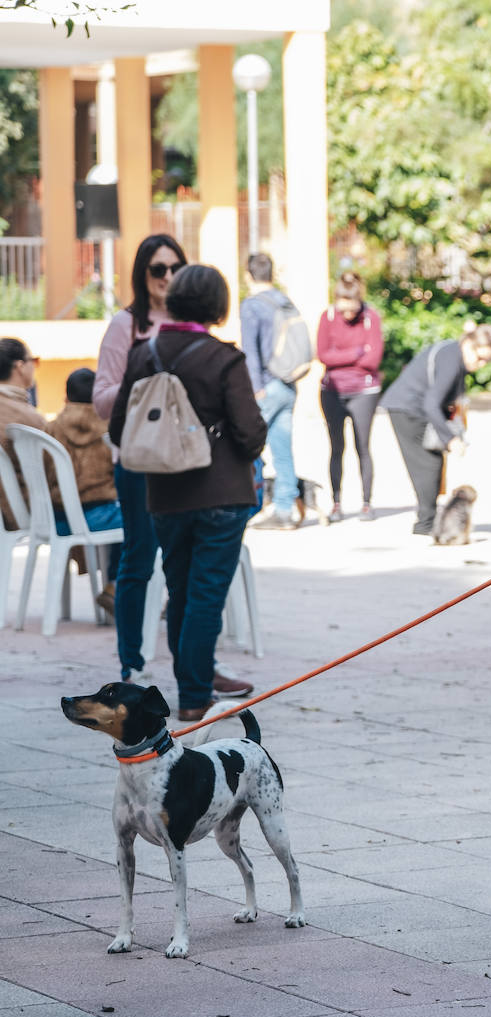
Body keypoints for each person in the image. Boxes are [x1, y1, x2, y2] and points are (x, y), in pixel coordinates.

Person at [109, 265, 267, 722]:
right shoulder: (224, 358)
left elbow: (120, 426)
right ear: (217, 305)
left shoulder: (143, 355)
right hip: (221, 494)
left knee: (180, 594)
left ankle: (191, 690)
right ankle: (195, 696)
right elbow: (250, 433)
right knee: (205, 597)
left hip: (165, 496)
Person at [92, 234, 193, 687]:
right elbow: (100, 399)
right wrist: (146, 377)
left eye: (175, 268)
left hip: (188, 461)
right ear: (142, 274)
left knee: (185, 561)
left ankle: (190, 664)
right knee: (138, 557)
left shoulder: (193, 324)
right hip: (138, 458)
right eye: (158, 269)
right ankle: (131, 663)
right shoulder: (126, 325)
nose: (167, 277)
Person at [381, 324, 491, 535]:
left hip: (411, 407)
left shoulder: (454, 353)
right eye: (479, 358)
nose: (481, 364)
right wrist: (450, 439)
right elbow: (431, 403)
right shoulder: (452, 360)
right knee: (428, 465)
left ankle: (428, 520)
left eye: (487, 361)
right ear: (469, 344)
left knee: (432, 463)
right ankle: (426, 523)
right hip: (407, 408)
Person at [47, 368, 123, 611]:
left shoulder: (49, 429)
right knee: (137, 520)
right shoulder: (111, 428)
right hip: (99, 516)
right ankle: (115, 584)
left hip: (56, 520)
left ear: (66, 398)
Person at [241, 253, 302, 531]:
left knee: (247, 444)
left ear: (248, 275)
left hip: (266, 385)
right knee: (282, 448)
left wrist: (255, 389)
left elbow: (250, 352)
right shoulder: (284, 301)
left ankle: (247, 504)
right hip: (289, 383)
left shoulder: (252, 306)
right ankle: (285, 510)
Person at [317, 272, 383, 523]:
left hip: (363, 391)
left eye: (352, 309)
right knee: (336, 448)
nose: (347, 315)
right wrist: (356, 352)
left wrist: (341, 356)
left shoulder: (370, 318)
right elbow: (323, 355)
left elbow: (373, 359)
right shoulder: (328, 317)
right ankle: (336, 502)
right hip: (332, 391)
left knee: (362, 447)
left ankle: (367, 503)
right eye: (343, 308)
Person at [0, 337, 46, 530]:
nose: (34, 367)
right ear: (19, 366)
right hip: (22, 507)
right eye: (33, 361)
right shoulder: (27, 416)